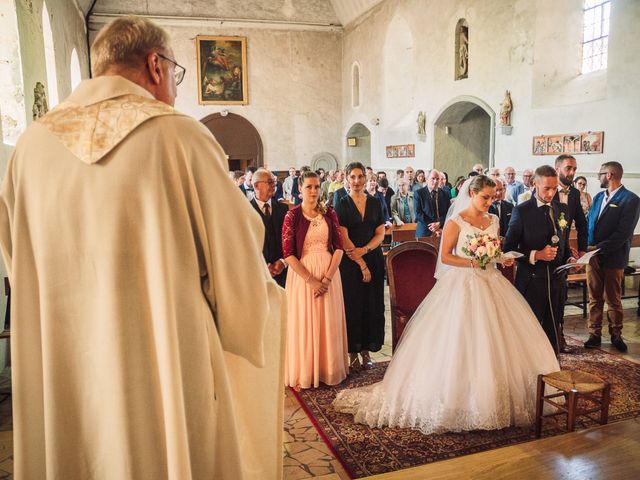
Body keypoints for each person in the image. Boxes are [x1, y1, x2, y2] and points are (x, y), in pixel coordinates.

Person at [0, 16, 285, 479]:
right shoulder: (180, 136)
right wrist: (249, 314)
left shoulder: (31, 147)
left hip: (64, 360)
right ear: (156, 64)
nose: (174, 85)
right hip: (163, 357)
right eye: (176, 72)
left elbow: (16, 257)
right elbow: (235, 254)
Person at [333, 176, 559, 434]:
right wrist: (474, 262)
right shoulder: (456, 221)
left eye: (492, 197)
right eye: (485, 197)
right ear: (472, 193)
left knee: (498, 339)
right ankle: (454, 399)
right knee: (458, 342)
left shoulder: (494, 220)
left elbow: (494, 251)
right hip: (462, 284)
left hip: (491, 282)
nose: (489, 202)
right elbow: (447, 257)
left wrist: (501, 258)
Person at [282, 171, 349, 389]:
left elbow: (339, 247)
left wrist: (327, 279)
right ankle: (307, 370)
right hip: (303, 277)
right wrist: (312, 280)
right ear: (300, 189)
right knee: (305, 321)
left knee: (327, 322)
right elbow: (288, 253)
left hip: (330, 273)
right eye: (309, 187)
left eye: (317, 187)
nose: (313, 191)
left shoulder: (329, 213)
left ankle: (328, 369)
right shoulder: (292, 216)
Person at [504, 166, 574, 354]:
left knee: (554, 327)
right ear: (535, 184)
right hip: (532, 281)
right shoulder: (522, 211)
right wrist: (536, 255)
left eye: (555, 188)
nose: (551, 193)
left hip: (557, 282)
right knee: (529, 330)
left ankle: (551, 367)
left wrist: (570, 257)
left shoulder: (563, 210)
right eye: (546, 189)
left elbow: (564, 240)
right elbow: (508, 249)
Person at [584, 162, 640, 352]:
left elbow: (623, 233)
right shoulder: (599, 197)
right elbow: (589, 223)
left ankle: (616, 334)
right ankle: (594, 334)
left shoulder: (631, 200)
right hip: (593, 257)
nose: (597, 178)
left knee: (613, 299)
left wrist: (598, 248)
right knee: (594, 298)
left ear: (609, 175)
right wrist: (587, 249)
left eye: (600, 174)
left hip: (614, 256)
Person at [335, 162, 386, 370]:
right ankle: (352, 352)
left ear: (366, 178)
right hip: (350, 262)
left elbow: (380, 232)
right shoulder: (342, 203)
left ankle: (366, 351)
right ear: (347, 178)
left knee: (371, 305)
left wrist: (365, 252)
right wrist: (359, 261)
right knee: (353, 305)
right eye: (353, 177)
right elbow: (343, 236)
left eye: (360, 176)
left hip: (372, 257)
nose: (357, 181)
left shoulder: (375, 202)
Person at [553, 154, 588, 351]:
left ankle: (560, 335)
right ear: (557, 169)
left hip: (564, 253)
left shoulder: (575, 194)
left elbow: (582, 224)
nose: (572, 172)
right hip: (545, 252)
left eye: (574, 168)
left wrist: (581, 250)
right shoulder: (543, 190)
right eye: (568, 168)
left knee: (561, 296)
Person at [251, 168, 289, 287]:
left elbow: (290, 239)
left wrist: (283, 262)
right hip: (257, 275)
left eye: (274, 182)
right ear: (256, 185)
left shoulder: (283, 209)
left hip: (283, 274)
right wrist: (264, 265)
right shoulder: (246, 211)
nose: (274, 185)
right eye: (270, 182)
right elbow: (244, 244)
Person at [414, 169, 450, 238]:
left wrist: (439, 224)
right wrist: (433, 226)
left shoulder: (445, 194)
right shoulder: (419, 193)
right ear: (427, 179)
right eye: (433, 178)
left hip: (441, 230)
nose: (435, 181)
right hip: (424, 231)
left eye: (437, 179)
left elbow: (448, 212)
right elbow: (418, 213)